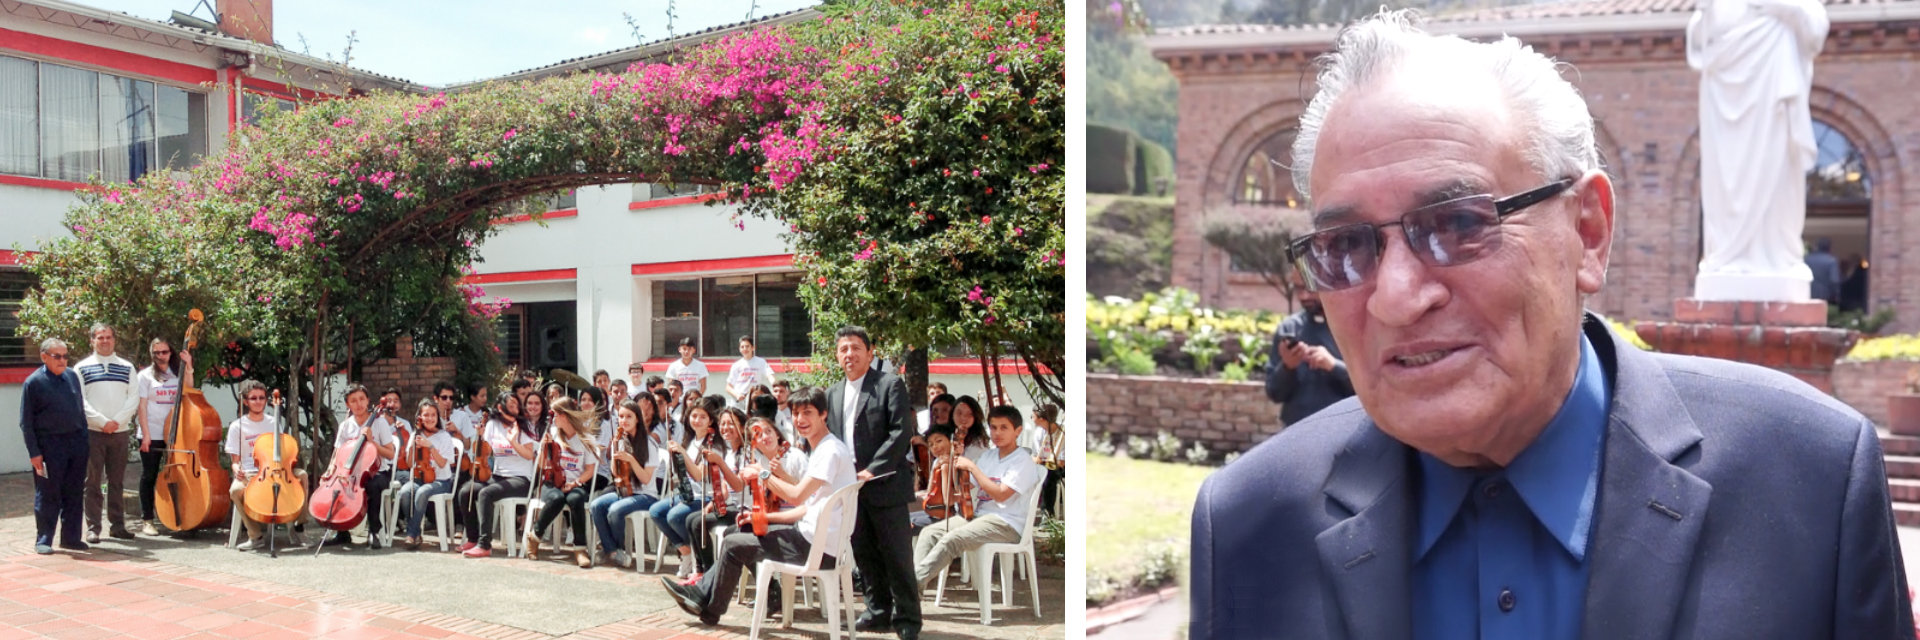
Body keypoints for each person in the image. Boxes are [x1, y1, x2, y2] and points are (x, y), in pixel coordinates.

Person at [1190, 11, 1914, 639]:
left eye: (1457, 224)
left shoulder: (1808, 480)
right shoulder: (1251, 524)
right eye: (1348, 246)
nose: (1395, 298)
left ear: (1588, 233)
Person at [659, 386, 857, 626]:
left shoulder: (828, 451)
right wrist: (764, 518)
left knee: (733, 543)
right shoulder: (825, 448)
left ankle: (707, 604)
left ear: (823, 414)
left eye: (808, 413)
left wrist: (762, 474)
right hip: (814, 538)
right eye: (796, 414)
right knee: (738, 531)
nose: (800, 420)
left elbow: (796, 496)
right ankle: (705, 602)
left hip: (816, 546)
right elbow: (808, 507)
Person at [826, 326, 920, 640]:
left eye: (855, 348)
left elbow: (900, 433)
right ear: (837, 355)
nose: (849, 354)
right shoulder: (833, 393)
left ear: (870, 351)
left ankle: (907, 618)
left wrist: (872, 469)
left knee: (896, 555)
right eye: (843, 349)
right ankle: (877, 610)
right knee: (863, 552)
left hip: (885, 485)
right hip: (850, 488)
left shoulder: (889, 385)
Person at [913, 406, 1043, 589]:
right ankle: (913, 597)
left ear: (1018, 431)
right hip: (979, 517)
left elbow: (1001, 495)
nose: (997, 433)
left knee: (953, 539)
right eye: (993, 427)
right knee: (929, 533)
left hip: (1007, 523)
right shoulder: (988, 456)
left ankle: (909, 590)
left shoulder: (1022, 460)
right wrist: (947, 467)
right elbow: (951, 498)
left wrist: (972, 467)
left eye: (1004, 427)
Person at [22, 339, 90, 555]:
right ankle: (44, 540)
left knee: (74, 492)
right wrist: (34, 453)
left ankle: (71, 538)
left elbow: (79, 409)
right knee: (48, 493)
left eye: (65, 356)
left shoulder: (71, 376)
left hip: (76, 443)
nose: (63, 361)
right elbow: (26, 422)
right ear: (44, 356)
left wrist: (84, 439)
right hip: (50, 446)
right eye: (57, 356)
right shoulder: (33, 382)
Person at [224, 380, 310, 550]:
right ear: (246, 401)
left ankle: (299, 526)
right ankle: (255, 536)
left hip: (277, 468)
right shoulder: (237, 426)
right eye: (253, 398)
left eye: (261, 398)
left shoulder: (272, 422)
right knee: (235, 491)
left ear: (266, 400)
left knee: (303, 475)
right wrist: (236, 469)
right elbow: (235, 460)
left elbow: (282, 450)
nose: (258, 401)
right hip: (250, 472)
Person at [74, 323, 138, 543]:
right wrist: (102, 422)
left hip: (119, 433)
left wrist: (117, 421)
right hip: (93, 433)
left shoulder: (127, 367)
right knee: (92, 482)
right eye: (100, 337)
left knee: (117, 481)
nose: (105, 341)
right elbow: (79, 401)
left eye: (109, 337)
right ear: (92, 340)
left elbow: (133, 399)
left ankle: (118, 526)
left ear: (114, 339)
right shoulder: (81, 368)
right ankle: (93, 528)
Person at [1264, 270, 1354, 426]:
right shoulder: (1289, 328)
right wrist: (1287, 367)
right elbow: (1274, 393)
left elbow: (1373, 388)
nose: (1303, 296)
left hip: (1342, 430)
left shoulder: (1351, 326)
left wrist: (1333, 365)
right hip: (1295, 432)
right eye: (1298, 288)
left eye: (1310, 288)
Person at [523, 398, 600, 568]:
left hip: (575, 483)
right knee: (557, 498)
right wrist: (543, 449)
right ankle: (535, 536)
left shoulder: (586, 439)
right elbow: (542, 466)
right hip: (551, 483)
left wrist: (575, 483)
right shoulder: (553, 434)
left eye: (554, 414)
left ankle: (580, 548)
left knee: (576, 499)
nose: (552, 418)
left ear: (564, 416)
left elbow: (589, 470)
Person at [459, 393, 537, 558]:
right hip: (499, 475)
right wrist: (479, 437)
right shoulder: (492, 424)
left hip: (521, 479)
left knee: (486, 493)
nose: (515, 408)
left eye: (517, 405)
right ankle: (472, 539)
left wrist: (513, 441)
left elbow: (529, 455)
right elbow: (486, 451)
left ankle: (484, 545)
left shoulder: (525, 426)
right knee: (466, 491)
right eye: (511, 405)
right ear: (500, 408)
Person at [651, 395, 720, 577]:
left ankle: (698, 557)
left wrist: (682, 452)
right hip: (688, 494)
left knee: (675, 516)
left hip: (706, 496)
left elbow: (698, 475)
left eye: (703, 417)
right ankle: (686, 550)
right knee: (656, 511)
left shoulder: (713, 444)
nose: (697, 421)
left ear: (711, 420)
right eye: (694, 416)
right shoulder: (690, 440)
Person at [587, 399, 658, 568]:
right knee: (596, 505)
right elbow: (616, 473)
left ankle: (613, 550)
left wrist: (631, 460)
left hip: (646, 495)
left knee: (615, 510)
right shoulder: (620, 440)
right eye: (621, 416)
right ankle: (613, 551)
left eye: (629, 416)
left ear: (637, 419)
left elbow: (646, 479)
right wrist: (615, 449)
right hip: (625, 490)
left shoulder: (649, 444)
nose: (624, 420)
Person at [325, 385, 397, 549]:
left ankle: (374, 532)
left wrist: (371, 442)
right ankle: (342, 532)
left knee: (372, 486)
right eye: (353, 401)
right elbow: (337, 452)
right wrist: (330, 470)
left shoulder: (379, 423)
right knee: (336, 486)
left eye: (361, 399)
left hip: (377, 472)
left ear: (368, 400)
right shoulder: (345, 425)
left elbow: (390, 454)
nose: (358, 404)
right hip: (350, 472)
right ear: (347, 405)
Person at [685, 404, 753, 575]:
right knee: (692, 520)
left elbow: (738, 486)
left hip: (746, 509)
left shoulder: (747, 453)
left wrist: (720, 463)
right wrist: (713, 504)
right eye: (722, 424)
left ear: (742, 426)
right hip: (732, 506)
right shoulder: (730, 452)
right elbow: (724, 489)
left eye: (731, 423)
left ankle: (710, 574)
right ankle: (701, 571)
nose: (725, 428)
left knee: (699, 523)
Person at [133, 337, 186, 536]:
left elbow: (188, 391)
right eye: (157, 353)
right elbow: (142, 406)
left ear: (170, 352)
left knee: (180, 474)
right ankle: (147, 520)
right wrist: (145, 434)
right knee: (150, 475)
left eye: (164, 352)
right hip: (152, 432)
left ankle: (179, 516)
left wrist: (188, 366)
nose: (161, 356)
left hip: (175, 433)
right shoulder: (145, 376)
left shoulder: (177, 373)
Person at [395, 399, 456, 551]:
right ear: (420, 417)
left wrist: (430, 446)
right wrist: (412, 446)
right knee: (405, 491)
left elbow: (442, 464)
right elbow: (409, 464)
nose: (430, 418)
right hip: (420, 478)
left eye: (433, 415)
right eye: (426, 415)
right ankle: (416, 533)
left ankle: (411, 533)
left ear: (437, 417)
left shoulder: (444, 437)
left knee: (422, 492)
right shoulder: (416, 435)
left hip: (441, 481)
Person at [1030, 404, 1065, 518]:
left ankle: (1047, 514)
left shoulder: (1063, 432)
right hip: (1045, 465)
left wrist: (1047, 462)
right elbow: (1036, 455)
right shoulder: (1039, 433)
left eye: (1033, 417)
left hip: (1060, 467)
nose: (1032, 419)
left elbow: (1062, 462)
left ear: (1042, 419)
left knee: (1049, 474)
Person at [727, 336, 776, 408]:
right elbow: (728, 387)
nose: (744, 349)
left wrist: (775, 386)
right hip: (739, 399)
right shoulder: (736, 365)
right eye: (742, 347)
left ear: (753, 347)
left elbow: (769, 375)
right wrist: (737, 395)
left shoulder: (760, 362)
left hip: (754, 398)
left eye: (747, 346)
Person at [950, 395, 990, 460]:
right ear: (952, 414)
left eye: (970, 414)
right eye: (959, 413)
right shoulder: (946, 436)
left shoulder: (980, 443)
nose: (963, 417)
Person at [1806, 237, 1843, 304]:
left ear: (1816, 247)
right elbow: (1834, 280)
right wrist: (1836, 295)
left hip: (1808, 294)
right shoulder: (1831, 261)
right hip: (1824, 296)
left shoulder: (1807, 259)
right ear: (1829, 248)